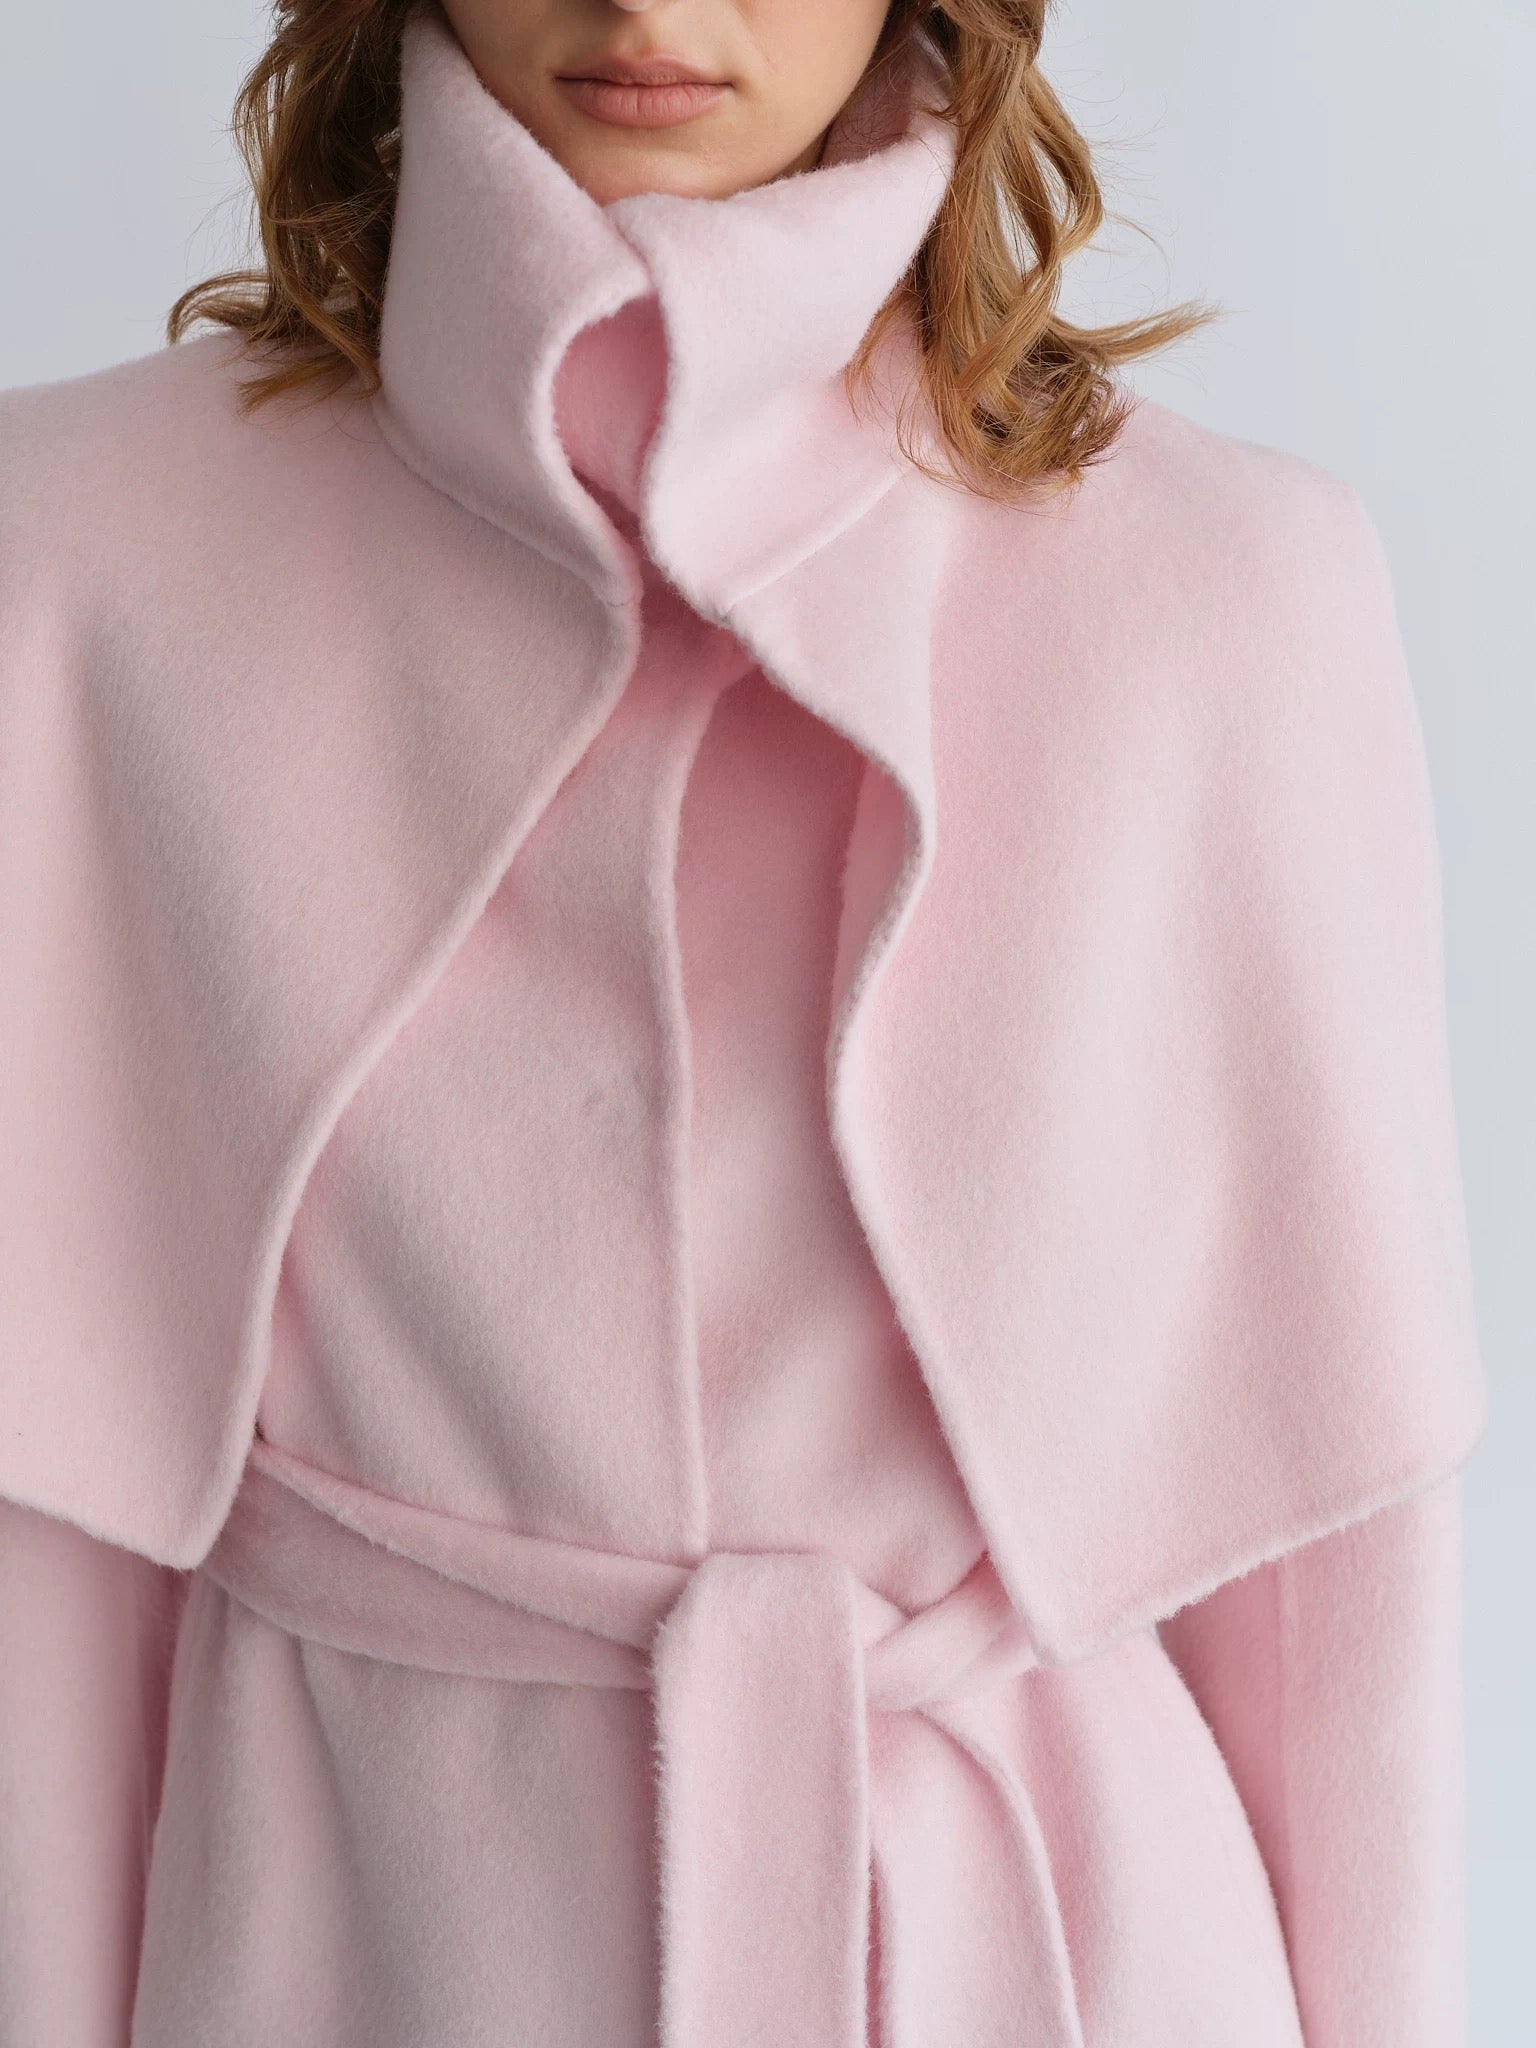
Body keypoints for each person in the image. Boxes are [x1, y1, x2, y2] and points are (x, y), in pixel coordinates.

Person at [0, 1, 1487, 2044]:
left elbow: (1325, 1568)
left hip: (1062, 1961)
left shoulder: (1238, 591)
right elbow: (55, 1543)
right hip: (350, 1952)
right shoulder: (75, 561)